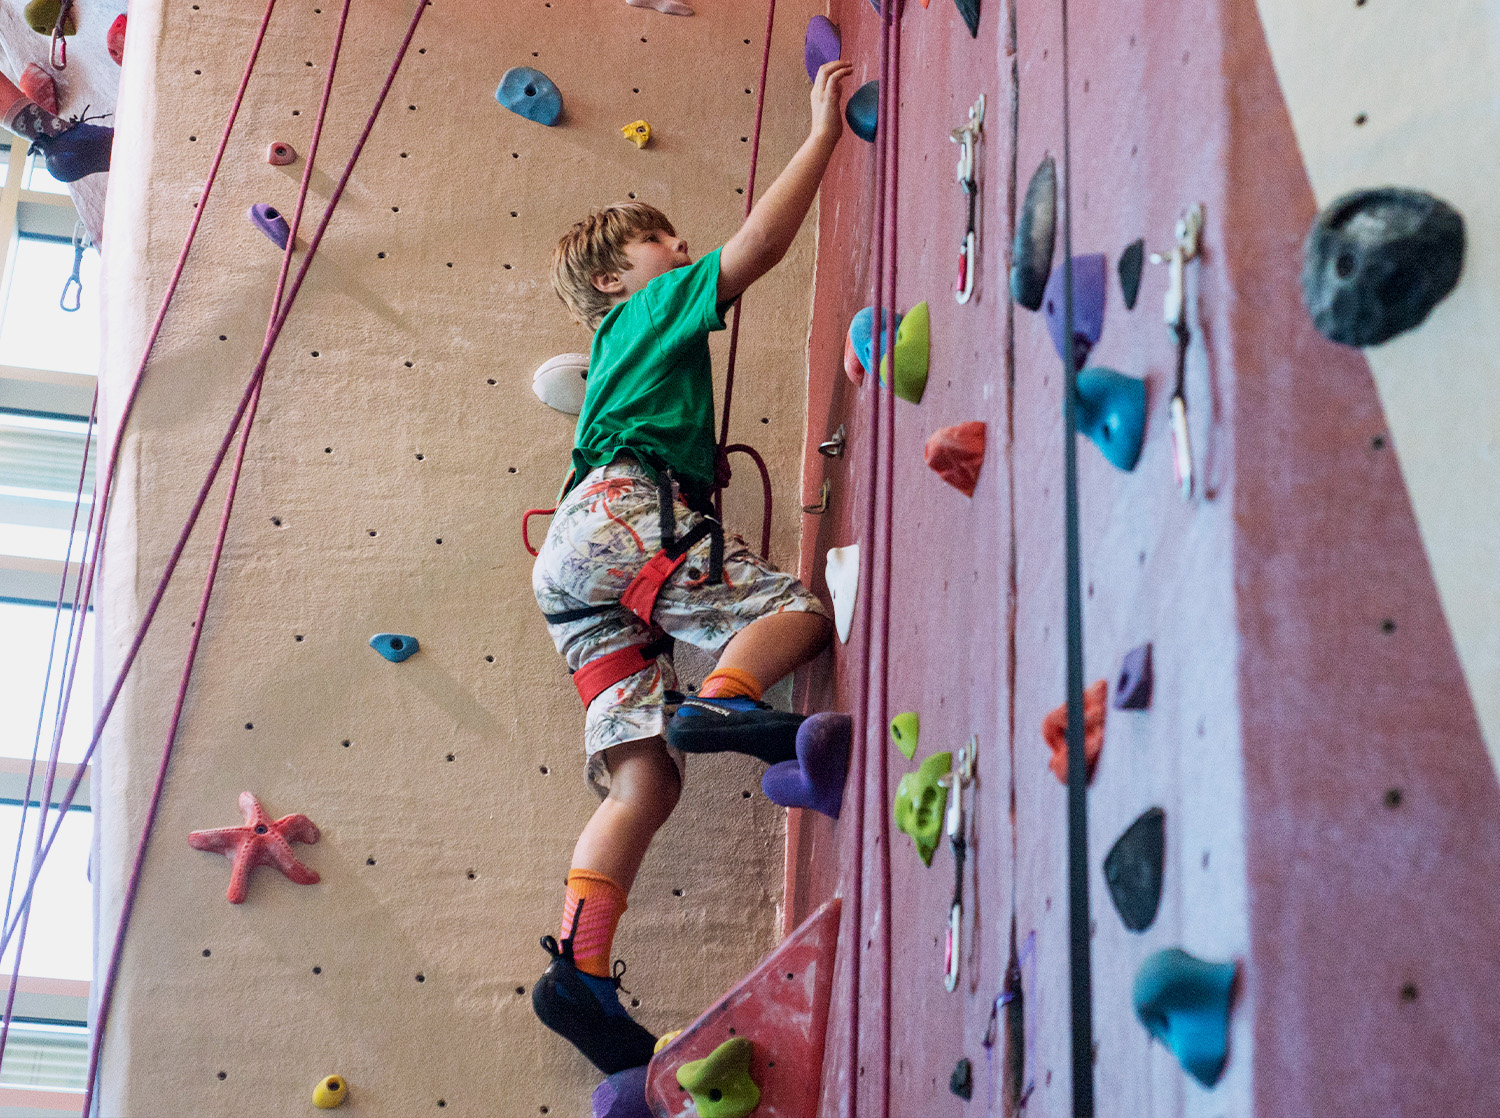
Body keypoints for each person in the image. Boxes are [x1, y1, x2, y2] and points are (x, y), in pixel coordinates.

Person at [529, 58, 855, 1076]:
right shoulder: (649, 308)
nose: (679, 250)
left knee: (644, 777)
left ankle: (577, 969)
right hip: (620, 512)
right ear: (617, 280)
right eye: (659, 242)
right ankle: (723, 699)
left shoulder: (619, 367)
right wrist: (820, 139)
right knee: (794, 608)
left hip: (572, 559)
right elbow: (754, 250)